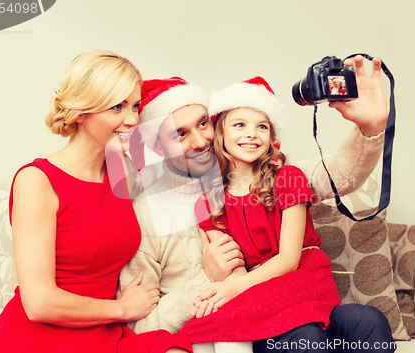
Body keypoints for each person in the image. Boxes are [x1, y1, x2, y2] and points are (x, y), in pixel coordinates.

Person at [119, 55, 394, 352]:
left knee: (366, 321)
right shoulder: (148, 211)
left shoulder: (273, 174)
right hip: (239, 321)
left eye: (203, 124)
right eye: (180, 134)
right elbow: (138, 324)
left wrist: (371, 128)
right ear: (158, 145)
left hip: (294, 300)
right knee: (306, 339)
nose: (200, 141)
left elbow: (338, 174)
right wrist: (208, 283)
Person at [0, 50, 191, 353]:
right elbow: (39, 304)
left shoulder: (122, 170)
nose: (132, 119)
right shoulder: (37, 181)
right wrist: (123, 309)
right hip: (43, 337)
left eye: (135, 105)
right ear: (81, 112)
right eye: (117, 106)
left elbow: (189, 174)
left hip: (104, 332)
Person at [180, 76, 342, 345]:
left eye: (262, 127)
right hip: (254, 284)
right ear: (220, 133)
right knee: (201, 327)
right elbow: (231, 264)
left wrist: (231, 289)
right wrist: (222, 290)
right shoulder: (207, 203)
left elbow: (289, 259)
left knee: (230, 320)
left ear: (271, 137)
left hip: (299, 276)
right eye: (240, 125)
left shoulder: (288, 178)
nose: (252, 133)